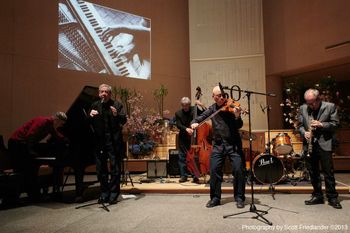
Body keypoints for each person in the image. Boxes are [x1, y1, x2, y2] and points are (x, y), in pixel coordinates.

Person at [191, 86, 245, 208]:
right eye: (218, 96)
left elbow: (239, 125)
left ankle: (240, 197)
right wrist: (195, 122)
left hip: (233, 144)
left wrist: (237, 116)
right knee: (214, 170)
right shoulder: (212, 109)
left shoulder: (231, 107)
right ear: (213, 97)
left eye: (223, 95)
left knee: (238, 170)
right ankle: (215, 198)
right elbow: (202, 117)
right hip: (218, 145)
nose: (221, 97)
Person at [8, 112, 68, 201]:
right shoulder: (43, 121)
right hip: (17, 143)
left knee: (31, 168)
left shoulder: (50, 125)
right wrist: (30, 151)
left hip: (23, 144)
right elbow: (30, 135)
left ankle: (33, 194)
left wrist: (67, 140)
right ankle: (31, 194)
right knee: (28, 169)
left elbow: (57, 135)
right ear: (57, 120)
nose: (61, 126)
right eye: (61, 123)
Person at [298, 88, 342, 209]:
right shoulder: (303, 108)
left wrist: (322, 125)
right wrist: (304, 133)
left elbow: (336, 124)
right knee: (313, 172)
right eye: (308, 103)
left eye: (312, 102)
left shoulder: (330, 107)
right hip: (310, 144)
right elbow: (300, 125)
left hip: (325, 143)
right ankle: (317, 195)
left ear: (318, 99)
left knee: (328, 172)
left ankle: (332, 197)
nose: (310, 105)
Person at [89, 84, 127, 205]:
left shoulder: (117, 105)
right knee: (101, 169)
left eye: (106, 92)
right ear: (99, 93)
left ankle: (114, 194)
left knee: (115, 168)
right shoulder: (94, 105)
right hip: (99, 142)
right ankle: (104, 193)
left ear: (110, 94)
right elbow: (87, 123)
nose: (104, 94)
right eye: (101, 92)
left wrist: (116, 115)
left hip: (113, 142)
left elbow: (124, 120)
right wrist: (89, 116)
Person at [175, 97, 205, 183]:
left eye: (187, 105)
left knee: (194, 157)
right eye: (183, 106)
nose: (185, 107)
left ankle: (195, 175)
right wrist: (186, 129)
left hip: (195, 137)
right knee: (182, 157)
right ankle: (183, 176)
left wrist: (201, 105)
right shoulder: (178, 113)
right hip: (183, 137)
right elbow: (178, 125)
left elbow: (204, 114)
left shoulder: (194, 109)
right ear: (181, 105)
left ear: (189, 104)